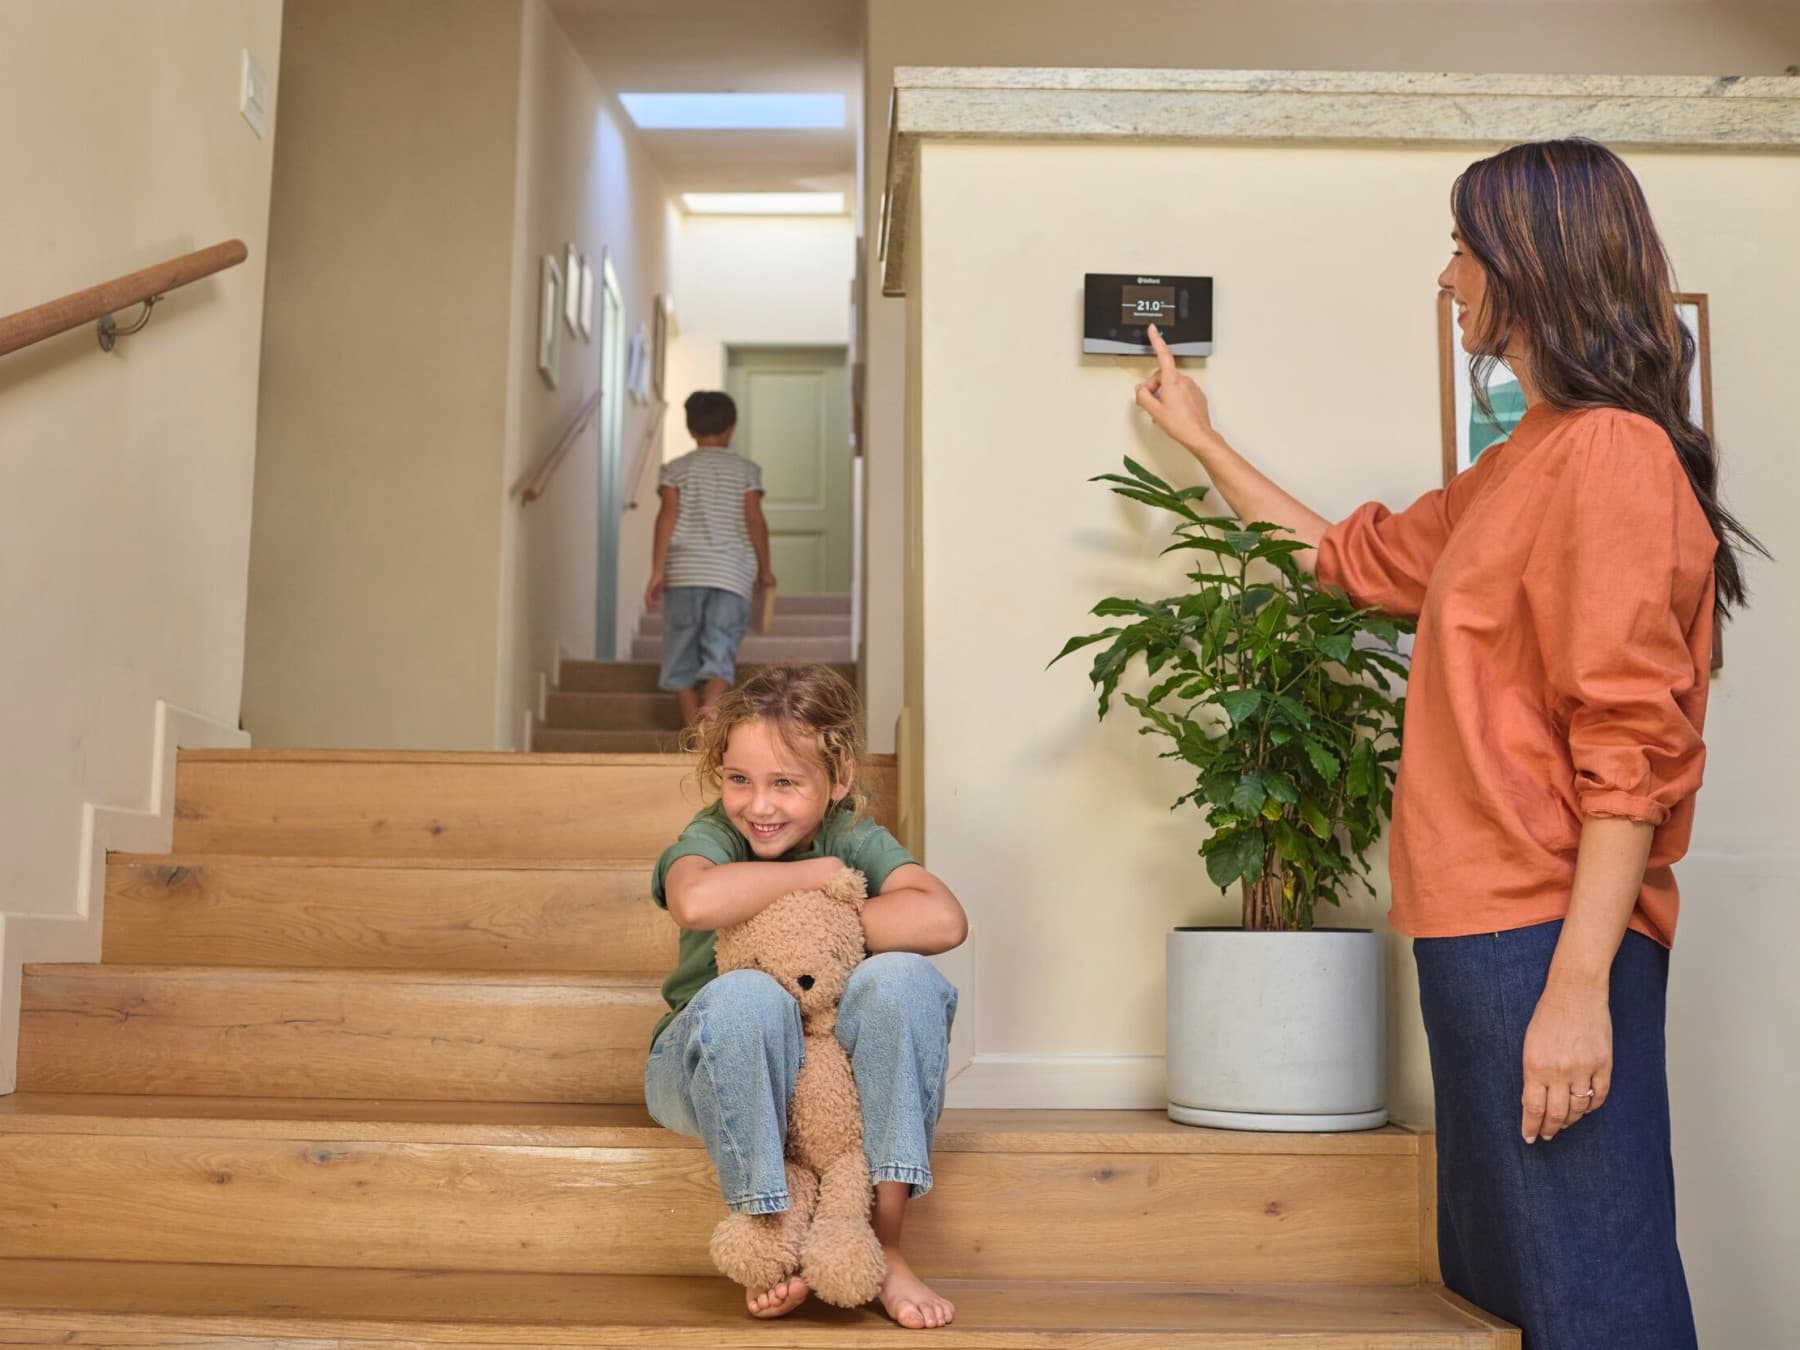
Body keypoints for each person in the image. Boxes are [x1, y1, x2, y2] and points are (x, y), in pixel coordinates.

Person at [1131, 139, 1762, 1350]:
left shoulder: (1615, 457)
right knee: (1510, 1294)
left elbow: (1628, 746)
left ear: (1529, 266)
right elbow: (1345, 558)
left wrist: (1578, 993)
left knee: (1594, 1302)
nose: (1447, 276)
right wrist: (1203, 441)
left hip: (1543, 938)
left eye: (1464, 248)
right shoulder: (1518, 464)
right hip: (1476, 937)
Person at [644, 664, 968, 1328]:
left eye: (785, 784)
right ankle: (770, 1240)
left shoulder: (852, 837)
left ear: (838, 779)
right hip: (705, 1065)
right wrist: (817, 880)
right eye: (739, 780)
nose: (758, 806)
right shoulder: (713, 836)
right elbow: (696, 898)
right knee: (746, 998)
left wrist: (821, 927)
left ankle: (885, 1246)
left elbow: (943, 921)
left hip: (830, 1083)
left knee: (901, 979)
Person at [646, 391, 776, 726]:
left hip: (684, 572)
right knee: (721, 650)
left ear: (690, 429)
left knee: (680, 653)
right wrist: (765, 569)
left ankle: (694, 732)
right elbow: (754, 519)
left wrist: (657, 570)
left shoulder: (675, 470)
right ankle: (711, 719)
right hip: (731, 575)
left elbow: (667, 516)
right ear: (731, 428)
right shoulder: (746, 470)